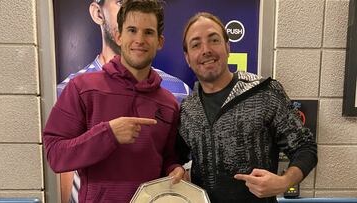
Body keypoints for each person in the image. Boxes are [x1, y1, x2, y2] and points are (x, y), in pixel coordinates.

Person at [44, 0, 186, 202]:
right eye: (132, 30)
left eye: (148, 32)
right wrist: (108, 134)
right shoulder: (82, 88)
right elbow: (55, 155)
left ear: (159, 41)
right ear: (119, 36)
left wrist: (175, 169)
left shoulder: (169, 103)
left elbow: (167, 159)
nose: (139, 39)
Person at [177, 12, 318, 203]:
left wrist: (285, 182)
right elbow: (174, 157)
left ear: (227, 46)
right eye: (196, 45)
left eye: (214, 40)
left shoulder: (265, 92)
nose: (206, 50)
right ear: (187, 57)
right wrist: (176, 169)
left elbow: (305, 147)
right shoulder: (188, 109)